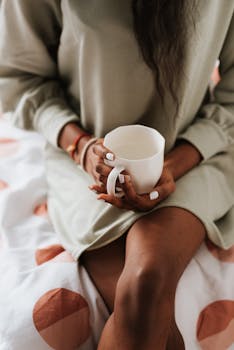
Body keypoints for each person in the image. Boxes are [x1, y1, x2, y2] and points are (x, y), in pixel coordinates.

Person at [0, 1, 233, 349]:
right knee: (148, 307)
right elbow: (19, 79)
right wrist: (79, 146)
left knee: (146, 278)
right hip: (85, 164)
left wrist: (173, 165)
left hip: (196, 151)